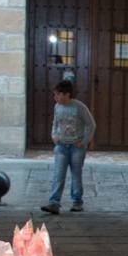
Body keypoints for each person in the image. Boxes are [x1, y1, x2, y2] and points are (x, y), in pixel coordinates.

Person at [41, 80, 96, 214]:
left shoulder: (79, 107)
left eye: (58, 94)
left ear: (67, 94)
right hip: (61, 146)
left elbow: (91, 124)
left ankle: (77, 202)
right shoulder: (57, 107)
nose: (55, 97)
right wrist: (53, 134)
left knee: (76, 174)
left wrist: (84, 141)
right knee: (58, 174)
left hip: (77, 147)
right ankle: (54, 202)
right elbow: (55, 122)